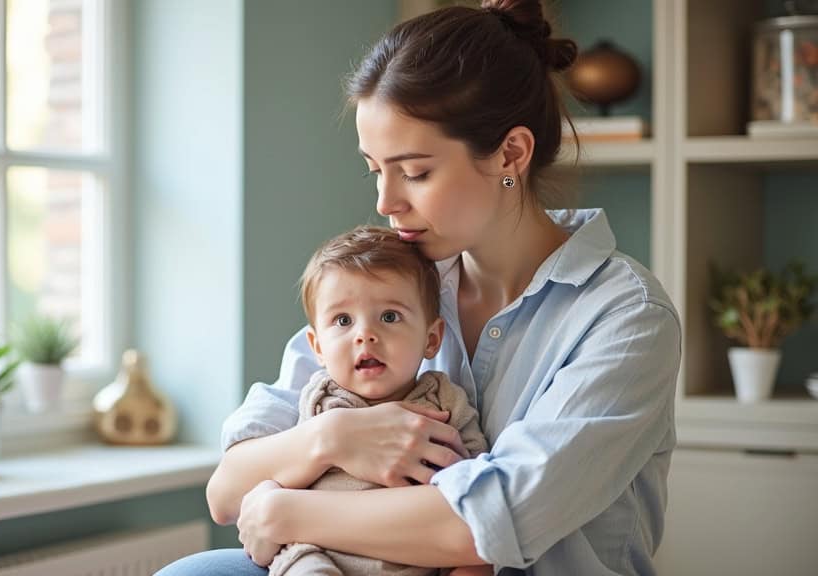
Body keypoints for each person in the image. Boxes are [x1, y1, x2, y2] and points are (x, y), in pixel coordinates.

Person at [159, 1, 681, 574]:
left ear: (511, 154)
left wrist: (284, 512)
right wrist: (333, 437)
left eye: (415, 172)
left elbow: (488, 525)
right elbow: (227, 492)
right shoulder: (388, 286)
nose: (386, 202)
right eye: (375, 170)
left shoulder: (626, 317)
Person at [268, 225, 489, 576]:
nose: (365, 335)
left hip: (419, 561)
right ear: (318, 347)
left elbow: (477, 497)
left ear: (431, 339)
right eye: (343, 320)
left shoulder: (445, 404)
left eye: (389, 317)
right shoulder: (318, 401)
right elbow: (280, 482)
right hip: (320, 556)